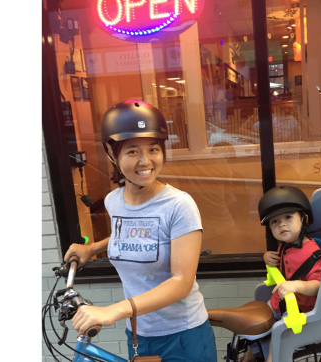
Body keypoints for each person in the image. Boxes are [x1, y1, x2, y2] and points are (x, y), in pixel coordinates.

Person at [63, 100, 217, 361]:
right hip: (138, 333)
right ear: (112, 154)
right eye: (132, 151)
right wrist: (92, 248)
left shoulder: (179, 205)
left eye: (153, 149)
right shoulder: (114, 201)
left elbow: (181, 282)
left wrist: (114, 310)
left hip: (183, 334)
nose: (146, 161)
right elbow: (134, 234)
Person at [258, 186, 321, 362]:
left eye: (288, 217)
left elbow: (319, 286)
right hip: (279, 304)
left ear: (303, 219)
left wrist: (296, 285)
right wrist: (267, 257)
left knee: (279, 335)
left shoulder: (313, 252)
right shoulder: (284, 245)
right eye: (274, 221)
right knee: (255, 325)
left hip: (299, 312)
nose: (281, 224)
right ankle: (253, 352)